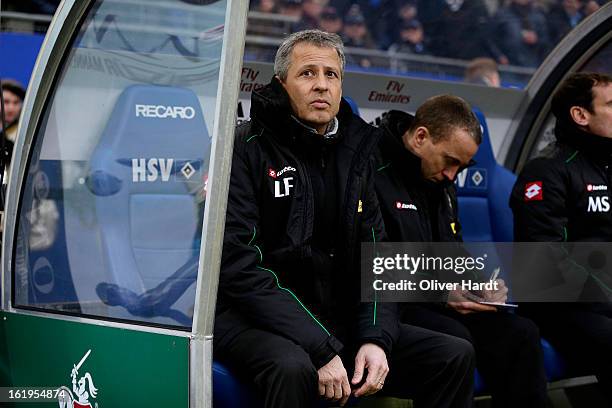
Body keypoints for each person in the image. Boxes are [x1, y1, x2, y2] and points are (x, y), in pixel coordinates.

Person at [214, 29, 475, 408]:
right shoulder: (245, 147)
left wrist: (374, 338)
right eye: (307, 74)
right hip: (252, 319)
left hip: (332, 322)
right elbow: (240, 268)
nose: (321, 85)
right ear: (281, 82)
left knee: (451, 354)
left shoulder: (358, 151)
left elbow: (378, 257)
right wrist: (319, 347)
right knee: (292, 368)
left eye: (331, 74)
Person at [375, 96, 547, 407]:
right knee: (456, 339)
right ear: (420, 136)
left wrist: (480, 287)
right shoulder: (373, 173)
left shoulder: (441, 183)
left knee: (520, 332)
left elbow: (453, 252)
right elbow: (370, 264)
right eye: (450, 161)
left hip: (436, 298)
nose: (453, 175)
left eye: (462, 166)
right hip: (391, 304)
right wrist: (441, 293)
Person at [510, 72, 612, 403]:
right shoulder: (546, 171)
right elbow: (545, 259)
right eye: (611, 104)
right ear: (581, 115)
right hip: (561, 307)